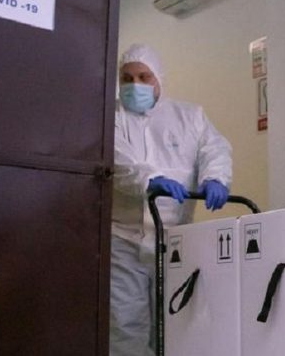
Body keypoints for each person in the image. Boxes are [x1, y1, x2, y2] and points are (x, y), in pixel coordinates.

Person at [110, 44, 232, 356]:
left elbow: (214, 149)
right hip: (124, 240)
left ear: (159, 78)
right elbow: (117, 159)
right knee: (125, 323)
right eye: (127, 78)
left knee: (173, 318)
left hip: (175, 240)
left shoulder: (189, 117)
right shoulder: (110, 118)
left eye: (144, 76)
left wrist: (215, 178)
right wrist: (149, 180)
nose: (135, 85)